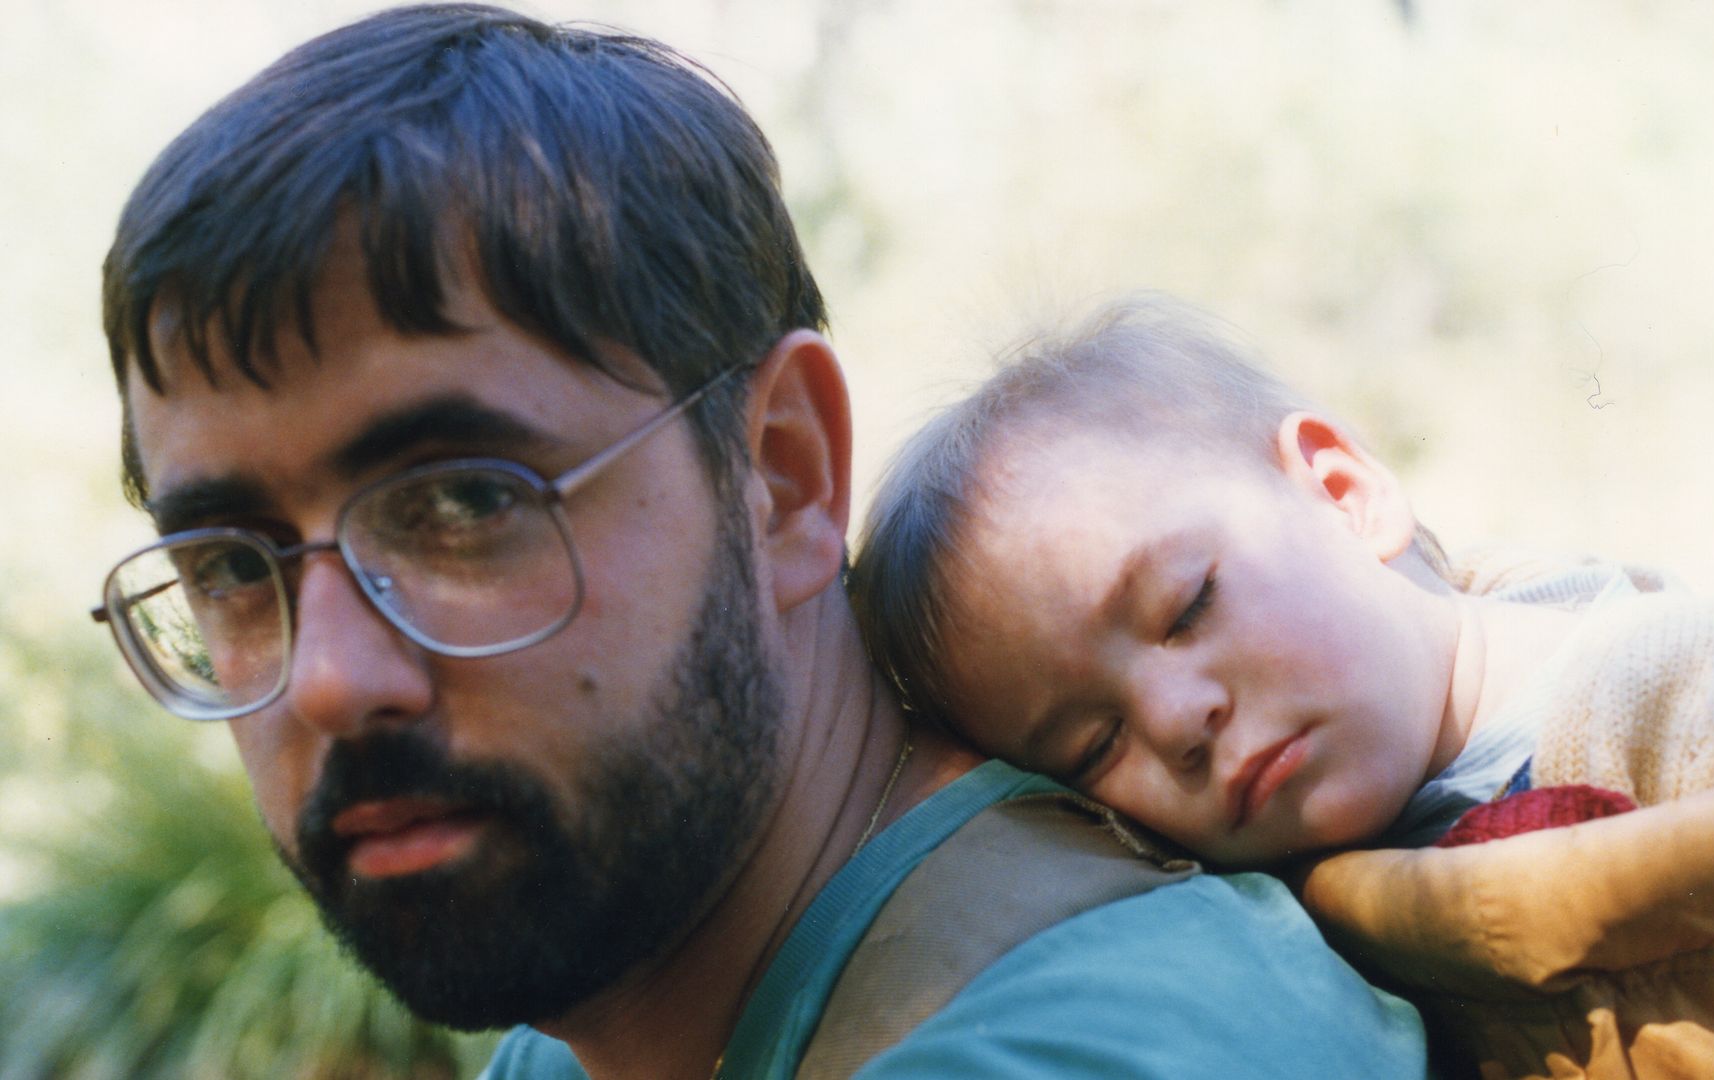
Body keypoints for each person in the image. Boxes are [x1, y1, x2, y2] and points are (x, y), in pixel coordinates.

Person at [90, 6, 1433, 1078]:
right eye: (229, 568)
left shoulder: (1116, 1040)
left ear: (782, 474)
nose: (329, 681)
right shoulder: (595, 1027)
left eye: (463, 504)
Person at [848, 292, 1714, 867]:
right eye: (1093, 746)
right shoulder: (1289, 910)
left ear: (1345, 490)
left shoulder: (1700, 698)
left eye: (1187, 607)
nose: (1178, 720)